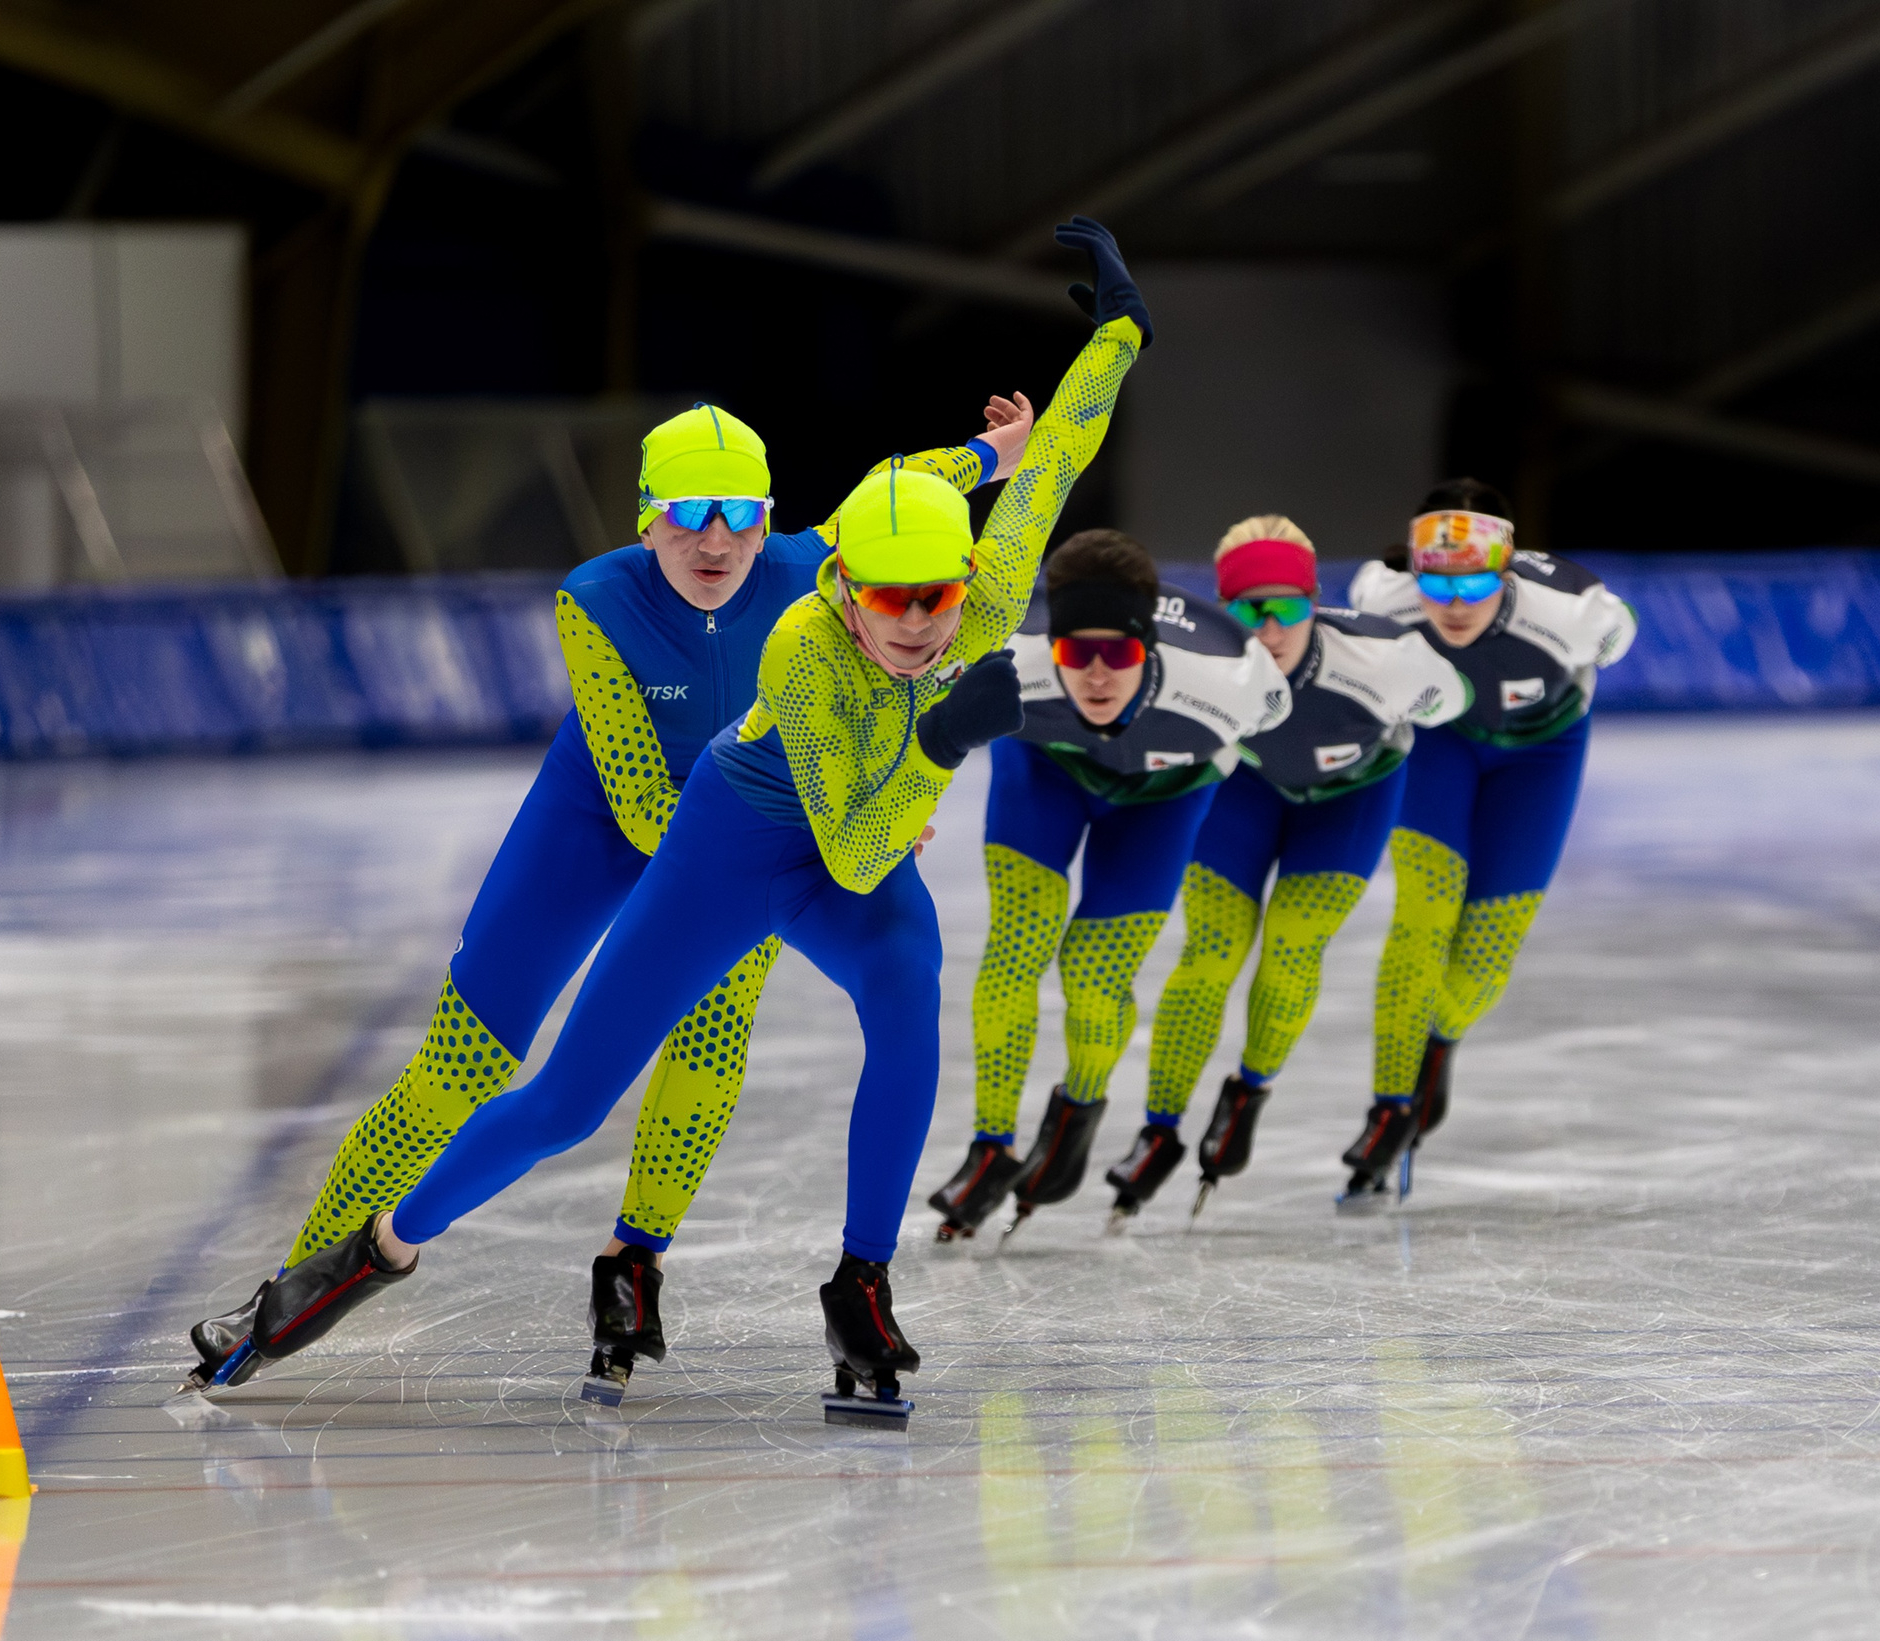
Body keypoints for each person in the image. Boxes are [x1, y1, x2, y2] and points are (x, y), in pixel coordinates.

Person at [220, 218, 1151, 1427]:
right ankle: (358, 1257)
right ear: (839, 586)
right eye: (890, 600)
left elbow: (1043, 461)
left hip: (839, 825)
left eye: (938, 597)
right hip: (720, 836)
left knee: (902, 995)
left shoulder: (931, 580)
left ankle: (855, 1283)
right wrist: (933, 747)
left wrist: (1116, 334)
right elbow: (846, 846)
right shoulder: (778, 639)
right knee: (553, 1096)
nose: (919, 625)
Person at [919, 528, 1290, 1243]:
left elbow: (1275, 720)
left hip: (1164, 796)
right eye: (1074, 653)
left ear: (1148, 647)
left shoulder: (1232, 680)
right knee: (1017, 946)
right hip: (1045, 770)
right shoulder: (1005, 654)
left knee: (1095, 976)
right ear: (1049, 644)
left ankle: (1077, 1110)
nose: (1095, 675)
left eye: (1116, 654)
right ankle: (991, 1145)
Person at [1108, 515, 1470, 1226]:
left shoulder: (1382, 657)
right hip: (1242, 792)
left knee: (1292, 948)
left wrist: (1408, 704)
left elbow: (1449, 698)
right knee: (1211, 953)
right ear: (1223, 611)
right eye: (1249, 612)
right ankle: (1158, 1130)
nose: (1271, 629)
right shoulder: (1197, 657)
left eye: (1288, 608)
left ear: (1315, 603)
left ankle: (1247, 1093)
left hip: (1350, 801)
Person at [1336, 478, 1635, 1207]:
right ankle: (1389, 1106)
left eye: (1475, 581)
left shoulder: (1575, 613)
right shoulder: (1382, 596)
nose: (1456, 603)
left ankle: (1436, 1044)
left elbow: (1615, 639)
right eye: (1438, 582)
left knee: (1484, 959)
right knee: (1423, 914)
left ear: (1508, 569)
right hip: (1439, 743)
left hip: (1541, 756)